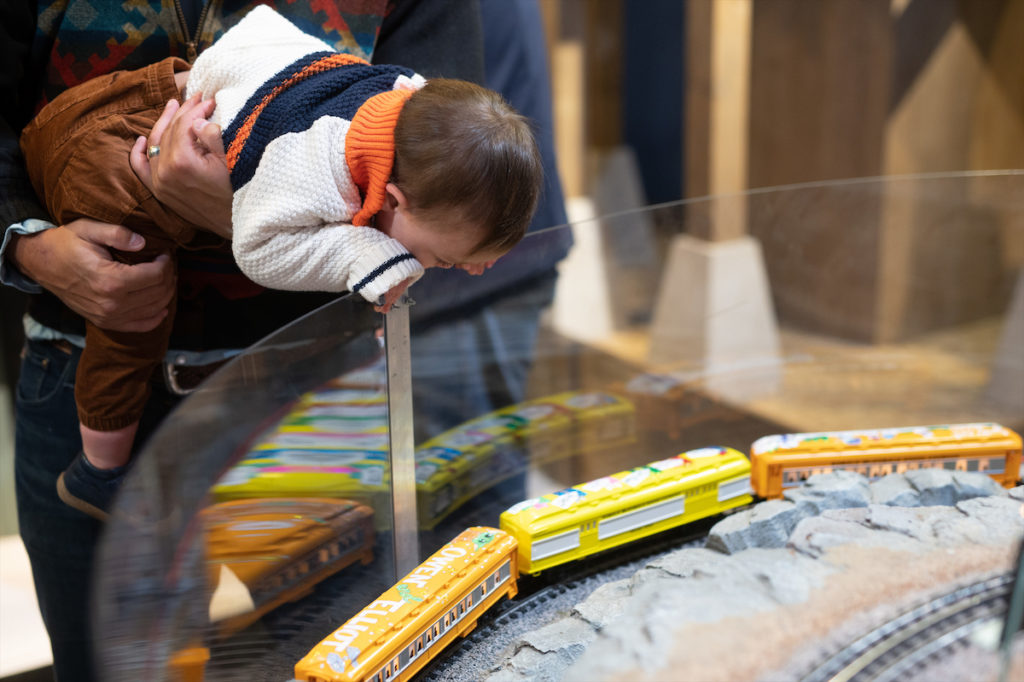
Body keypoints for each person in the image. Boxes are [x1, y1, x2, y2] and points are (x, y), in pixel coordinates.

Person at [1, 2, 485, 679]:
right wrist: (31, 249)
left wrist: (238, 213)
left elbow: (450, 196)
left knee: (319, 659)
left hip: (306, 393)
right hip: (78, 358)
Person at [18, 5, 539, 522]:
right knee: (131, 314)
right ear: (396, 200)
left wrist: (461, 251)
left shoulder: (406, 103)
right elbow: (258, 249)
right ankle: (99, 467)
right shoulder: (310, 164)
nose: (435, 267)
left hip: (298, 376)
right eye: (438, 261)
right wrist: (368, 253)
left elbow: (263, 25)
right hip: (106, 165)